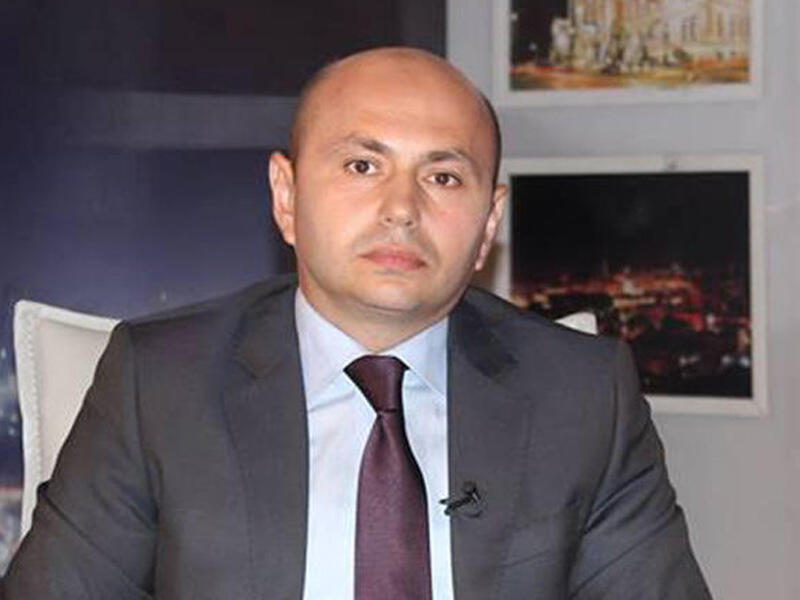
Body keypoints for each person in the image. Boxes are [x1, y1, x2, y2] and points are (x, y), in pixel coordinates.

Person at [2, 47, 711, 599]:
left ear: (488, 222)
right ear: (287, 195)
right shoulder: (159, 383)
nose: (401, 208)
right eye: (363, 165)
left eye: (443, 177)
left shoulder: (583, 395)